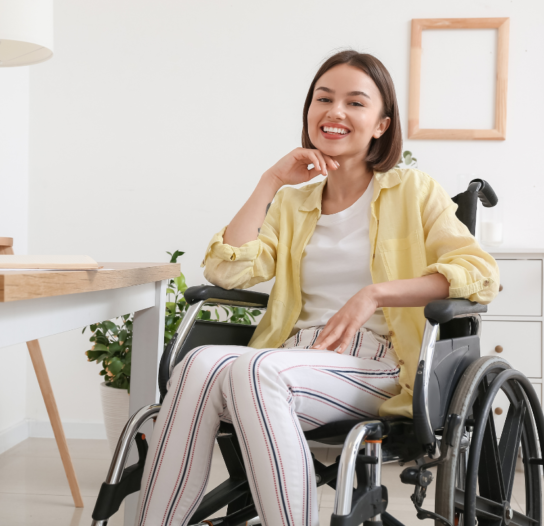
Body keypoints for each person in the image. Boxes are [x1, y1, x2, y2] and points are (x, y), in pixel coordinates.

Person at [135, 49, 499, 526]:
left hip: (378, 361)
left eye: (355, 102)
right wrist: (270, 182)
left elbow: (479, 273)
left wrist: (374, 293)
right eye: (323, 99)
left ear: (381, 124)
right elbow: (226, 271)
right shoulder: (292, 203)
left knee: (254, 371)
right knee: (197, 362)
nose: (335, 112)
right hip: (289, 356)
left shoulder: (412, 190)